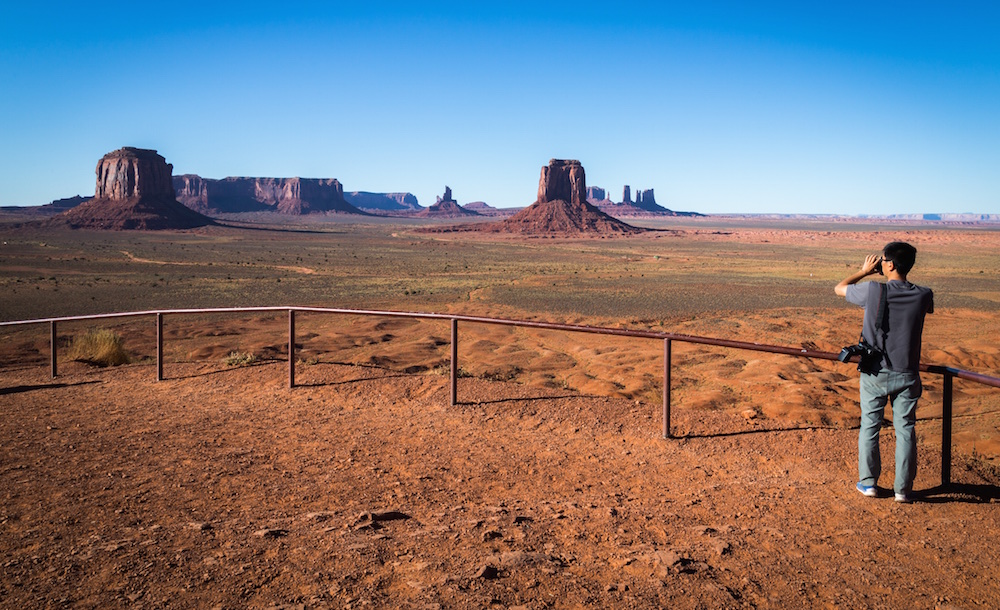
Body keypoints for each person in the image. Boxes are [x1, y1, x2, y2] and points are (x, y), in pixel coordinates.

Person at [835, 242, 934, 503]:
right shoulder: (924, 295)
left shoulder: (872, 290)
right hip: (908, 373)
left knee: (870, 426)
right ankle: (903, 490)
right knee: (906, 430)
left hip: (875, 372)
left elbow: (839, 288)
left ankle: (869, 484)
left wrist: (864, 271)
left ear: (887, 264)